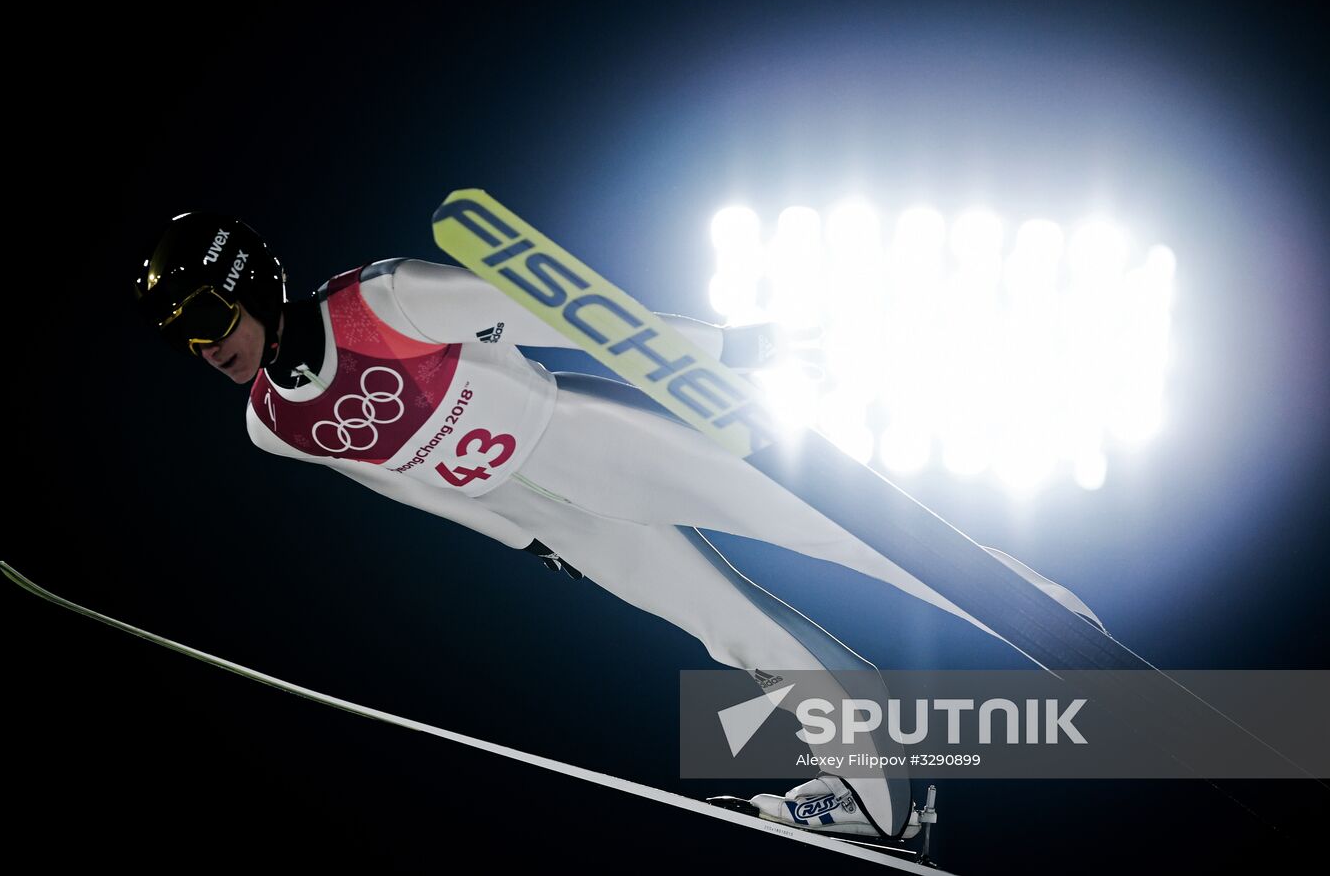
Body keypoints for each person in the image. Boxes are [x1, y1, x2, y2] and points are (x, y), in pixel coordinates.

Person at [134, 210, 1106, 840]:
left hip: (591, 436)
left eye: (206, 315)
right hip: (551, 513)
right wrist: (523, 538)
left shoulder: (382, 301)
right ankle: (878, 799)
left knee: (837, 528)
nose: (205, 346)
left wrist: (728, 346)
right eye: (182, 338)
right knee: (736, 636)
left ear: (249, 280)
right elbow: (399, 484)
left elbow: (562, 315)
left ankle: (1051, 621)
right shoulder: (272, 425)